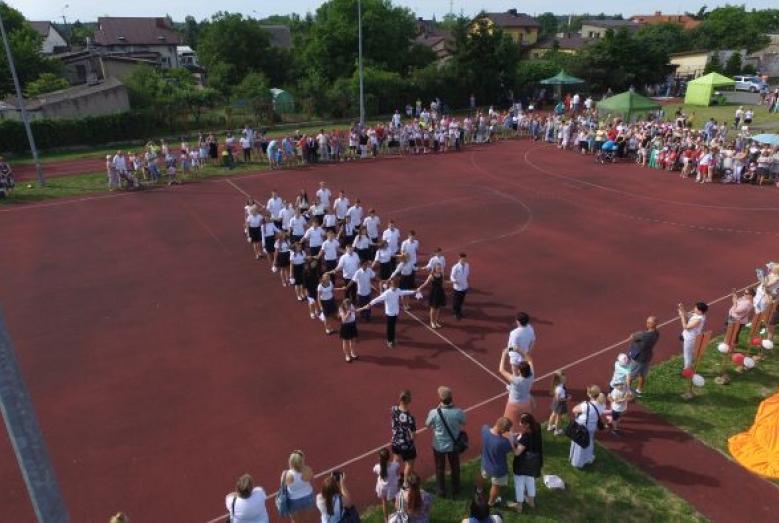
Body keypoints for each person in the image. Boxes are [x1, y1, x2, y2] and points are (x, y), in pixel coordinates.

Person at [424, 386, 466, 498]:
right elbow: (464, 422)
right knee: (455, 467)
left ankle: (441, 491)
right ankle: (456, 488)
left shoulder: (434, 412)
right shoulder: (458, 412)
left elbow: (427, 424)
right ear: (451, 398)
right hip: (453, 445)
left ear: (440, 398)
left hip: (439, 446)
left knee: (439, 468)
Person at [357, 278, 416, 347]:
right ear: (391, 285)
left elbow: (404, 292)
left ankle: (392, 339)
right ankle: (389, 341)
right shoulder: (387, 293)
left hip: (395, 312)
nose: (395, 286)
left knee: (393, 327)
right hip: (389, 313)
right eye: (394, 285)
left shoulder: (398, 290)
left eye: (396, 285)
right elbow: (377, 299)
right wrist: (370, 304)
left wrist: (413, 292)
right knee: (390, 328)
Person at [511, 413, 543, 513]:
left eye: (521, 422)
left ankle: (519, 505)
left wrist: (512, 443)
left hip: (522, 463)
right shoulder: (537, 427)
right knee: (530, 481)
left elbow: (517, 453)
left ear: (527, 424)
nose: (520, 423)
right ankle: (531, 501)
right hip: (535, 461)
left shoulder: (525, 437)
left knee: (519, 484)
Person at [569, 385, 606, 469]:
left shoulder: (586, 405)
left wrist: (583, 402)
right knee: (588, 442)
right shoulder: (602, 405)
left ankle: (577, 463)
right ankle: (588, 458)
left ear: (590, 394)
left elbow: (574, 410)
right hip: (592, 427)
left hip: (582, 427)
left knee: (579, 444)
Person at [480, 417, 513, 507]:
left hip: (485, 463)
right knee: (495, 486)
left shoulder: (485, 429)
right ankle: (491, 502)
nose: (508, 431)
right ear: (502, 429)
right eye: (507, 429)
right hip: (497, 469)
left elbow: (487, 428)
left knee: (483, 476)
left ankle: (479, 490)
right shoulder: (503, 442)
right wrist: (511, 438)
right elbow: (511, 448)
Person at [498, 348, 535, 426]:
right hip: (526, 402)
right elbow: (530, 360)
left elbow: (501, 370)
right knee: (526, 422)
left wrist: (504, 354)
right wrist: (519, 350)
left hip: (513, 404)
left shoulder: (516, 380)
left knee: (508, 422)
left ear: (519, 371)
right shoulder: (532, 375)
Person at [626, 316, 659, 395]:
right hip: (647, 357)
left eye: (648, 323)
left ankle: (627, 392)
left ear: (652, 324)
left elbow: (632, 337)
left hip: (638, 358)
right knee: (642, 375)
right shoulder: (657, 334)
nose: (647, 324)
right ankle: (639, 390)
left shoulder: (643, 335)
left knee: (630, 375)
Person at [390, 390, 417, 481]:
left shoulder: (393, 409)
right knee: (409, 463)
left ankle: (391, 478)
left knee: (395, 460)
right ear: (409, 401)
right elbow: (413, 435)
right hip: (406, 445)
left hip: (395, 441)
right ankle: (405, 483)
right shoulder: (410, 417)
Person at [282, 450, 316, 521]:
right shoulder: (307, 470)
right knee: (308, 518)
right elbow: (312, 481)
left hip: (293, 500)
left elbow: (283, 487)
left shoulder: (286, 474)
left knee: (295, 520)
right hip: (308, 496)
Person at [373, 448, 401, 522]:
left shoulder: (378, 467)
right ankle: (400, 515)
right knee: (395, 500)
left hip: (382, 487)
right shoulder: (394, 465)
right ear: (389, 457)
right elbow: (397, 467)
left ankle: (386, 519)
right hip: (392, 487)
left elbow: (374, 470)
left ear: (380, 458)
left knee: (384, 502)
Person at [678, 301, 708, 370]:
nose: (694, 309)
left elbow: (686, 327)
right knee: (688, 353)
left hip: (690, 339)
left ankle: (687, 369)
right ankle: (688, 366)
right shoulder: (697, 314)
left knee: (687, 354)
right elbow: (687, 315)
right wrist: (682, 308)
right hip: (687, 336)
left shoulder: (699, 319)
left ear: (700, 311)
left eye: (696, 308)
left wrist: (682, 317)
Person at [416, 264, 447, 329]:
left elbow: (443, 282)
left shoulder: (441, 274)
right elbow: (425, 283)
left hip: (440, 292)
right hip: (434, 293)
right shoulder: (431, 276)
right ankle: (432, 322)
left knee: (438, 307)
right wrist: (420, 288)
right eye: (438, 268)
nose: (439, 269)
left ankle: (436, 321)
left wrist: (451, 282)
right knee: (433, 308)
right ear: (435, 269)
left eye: (439, 268)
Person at [547, 370, 569, 436]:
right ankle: (557, 430)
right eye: (564, 378)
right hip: (560, 404)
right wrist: (567, 398)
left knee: (553, 414)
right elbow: (558, 399)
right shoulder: (560, 388)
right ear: (560, 379)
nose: (566, 379)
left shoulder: (558, 385)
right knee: (558, 417)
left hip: (555, 403)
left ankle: (550, 426)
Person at [450, 253, 470, 320]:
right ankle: (456, 313)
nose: (463, 260)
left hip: (464, 286)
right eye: (462, 259)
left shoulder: (467, 265)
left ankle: (459, 312)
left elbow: (467, 273)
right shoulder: (455, 267)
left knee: (461, 301)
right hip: (457, 287)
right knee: (456, 301)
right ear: (459, 259)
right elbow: (452, 276)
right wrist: (454, 281)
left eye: (464, 258)